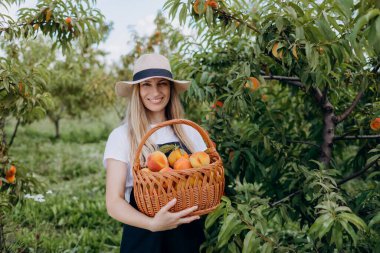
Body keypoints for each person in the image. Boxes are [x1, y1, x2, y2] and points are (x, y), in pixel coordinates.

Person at [103, 53, 207, 253]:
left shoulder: (189, 132)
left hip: (187, 235)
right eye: (146, 84)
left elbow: (206, 179)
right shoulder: (122, 136)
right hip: (144, 236)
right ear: (137, 90)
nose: (155, 91)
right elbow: (114, 202)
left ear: (170, 88)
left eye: (162, 83)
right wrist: (152, 224)